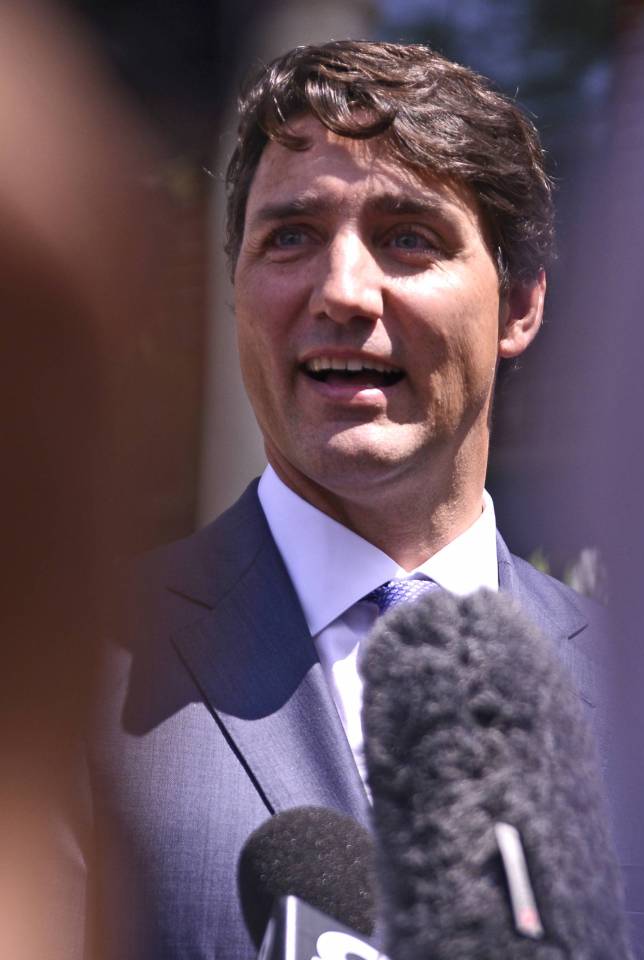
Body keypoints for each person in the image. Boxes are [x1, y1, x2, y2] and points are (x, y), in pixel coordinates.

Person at [78, 40, 615, 960]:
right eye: (290, 237)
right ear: (236, 290)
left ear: (521, 302)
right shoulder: (77, 675)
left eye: (408, 236)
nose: (340, 291)